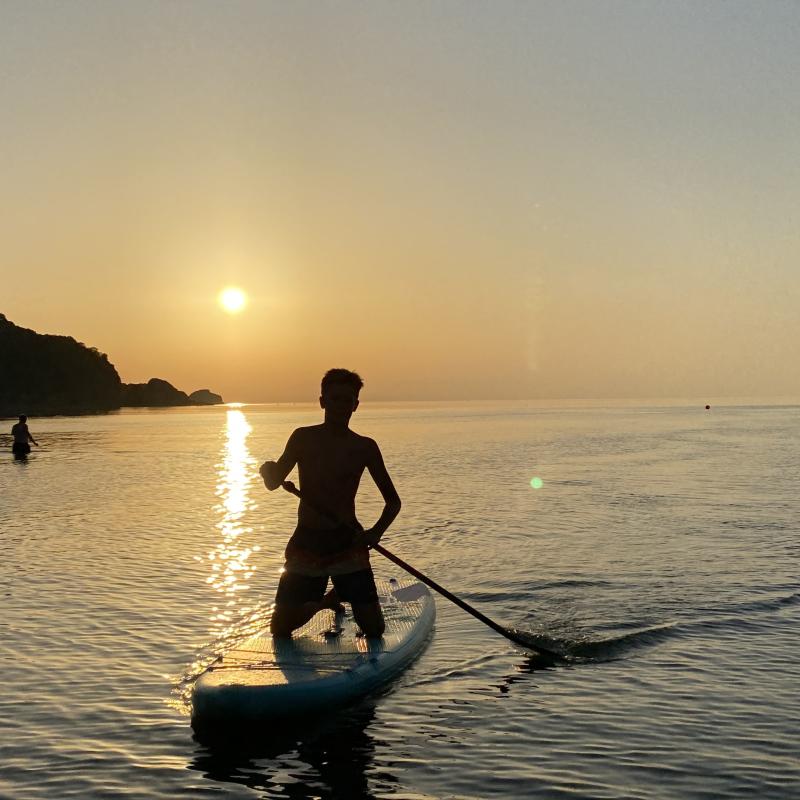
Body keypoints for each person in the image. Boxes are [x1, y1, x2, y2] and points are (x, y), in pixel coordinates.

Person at [259, 368, 401, 639]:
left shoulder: (364, 447)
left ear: (355, 405)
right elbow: (273, 482)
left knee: (373, 630)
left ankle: (338, 593)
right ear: (322, 401)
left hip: (347, 543)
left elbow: (393, 502)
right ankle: (326, 602)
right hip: (307, 543)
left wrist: (375, 533)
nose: (340, 406)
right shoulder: (302, 437)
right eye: (334, 399)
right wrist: (267, 471)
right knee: (280, 630)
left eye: (347, 400)